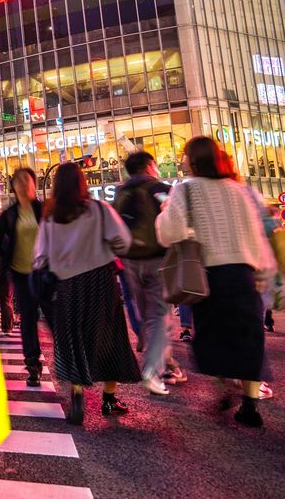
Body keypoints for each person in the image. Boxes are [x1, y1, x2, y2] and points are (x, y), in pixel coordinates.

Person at [156, 137, 275, 427]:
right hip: (243, 273)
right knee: (249, 338)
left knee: (213, 338)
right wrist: (261, 271)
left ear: (193, 160)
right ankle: (250, 404)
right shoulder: (238, 190)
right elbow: (255, 233)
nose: (182, 160)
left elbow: (169, 234)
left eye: (185, 155)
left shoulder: (186, 189)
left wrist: (164, 213)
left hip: (208, 276)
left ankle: (226, 386)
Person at [34, 162, 140, 425]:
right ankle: (109, 398)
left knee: (74, 339)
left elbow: (39, 257)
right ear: (82, 183)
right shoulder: (99, 209)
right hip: (100, 280)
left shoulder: (50, 218)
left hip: (67, 285)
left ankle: (77, 394)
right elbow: (123, 241)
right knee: (110, 338)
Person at [113, 151, 185, 396]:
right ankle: (153, 370)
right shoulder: (159, 188)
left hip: (130, 261)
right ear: (149, 166)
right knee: (158, 317)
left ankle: (168, 364)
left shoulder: (120, 192)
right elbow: (175, 219)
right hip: (157, 259)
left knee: (148, 316)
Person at [0, 167, 47, 387]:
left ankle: (68, 363)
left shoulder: (44, 209)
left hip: (46, 272)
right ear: (13, 186)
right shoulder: (9, 214)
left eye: (26, 179)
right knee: (28, 319)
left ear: (34, 183)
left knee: (54, 317)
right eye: (18, 180)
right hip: (21, 273)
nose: (23, 183)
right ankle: (33, 365)